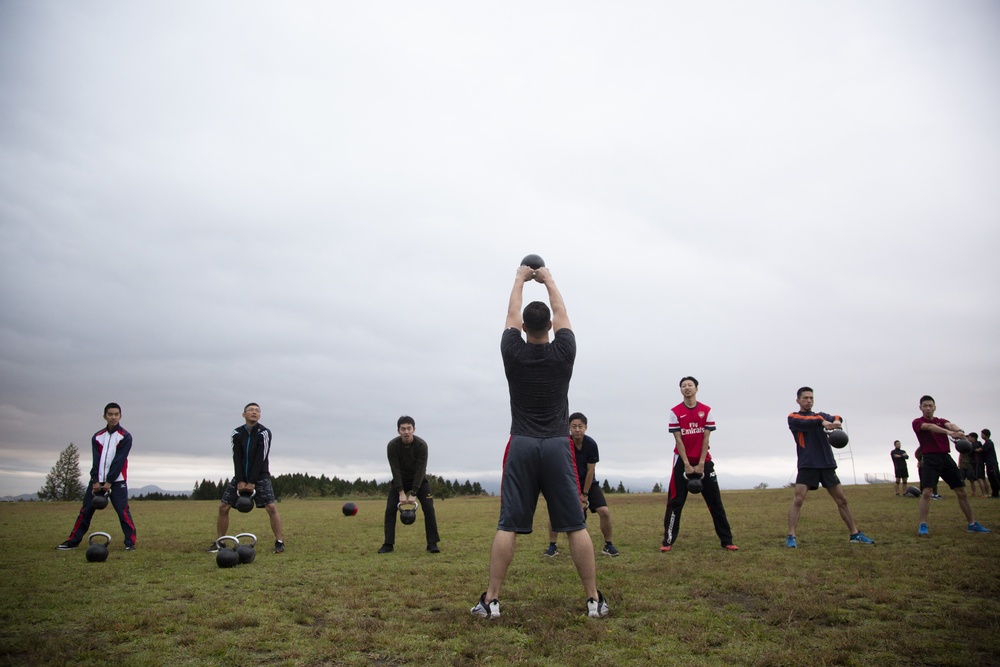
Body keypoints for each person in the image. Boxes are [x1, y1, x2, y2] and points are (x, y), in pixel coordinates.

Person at [471, 262, 608, 620]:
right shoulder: (564, 352)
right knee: (576, 525)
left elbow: (510, 314)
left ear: (523, 329)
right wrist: (547, 279)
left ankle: (492, 601)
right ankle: (593, 600)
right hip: (557, 445)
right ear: (548, 326)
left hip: (522, 445)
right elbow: (561, 312)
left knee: (507, 525)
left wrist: (519, 278)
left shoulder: (511, 351)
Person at [785, 387, 874, 548]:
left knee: (842, 500)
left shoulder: (821, 416)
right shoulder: (794, 417)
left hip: (826, 464)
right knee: (798, 499)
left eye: (811, 398)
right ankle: (791, 536)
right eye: (805, 398)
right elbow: (809, 421)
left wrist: (837, 422)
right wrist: (823, 422)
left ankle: (854, 534)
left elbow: (837, 417)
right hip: (808, 464)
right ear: (798, 400)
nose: (809, 401)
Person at [660, 377, 738, 553]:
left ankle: (727, 540)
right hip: (681, 460)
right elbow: (678, 440)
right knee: (675, 501)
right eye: (683, 386)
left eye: (690, 385)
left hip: (704, 459)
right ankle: (668, 541)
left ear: (696, 388)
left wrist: (702, 463)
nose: (687, 388)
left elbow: (706, 438)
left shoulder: (706, 410)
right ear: (680, 390)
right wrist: (686, 464)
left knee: (715, 501)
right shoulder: (675, 412)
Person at [57, 402, 137, 551]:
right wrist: (95, 480)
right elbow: (96, 460)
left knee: (123, 511)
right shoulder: (97, 437)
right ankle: (72, 541)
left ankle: (130, 543)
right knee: (85, 511)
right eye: (110, 414)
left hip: (117, 482)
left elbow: (119, 461)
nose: (113, 417)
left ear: (120, 416)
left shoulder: (125, 437)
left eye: (116, 414)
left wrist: (109, 482)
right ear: (105, 416)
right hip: (96, 482)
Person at [209, 403, 285, 553]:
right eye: (251, 410)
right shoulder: (236, 434)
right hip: (241, 477)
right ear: (244, 415)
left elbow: (261, 458)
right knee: (223, 506)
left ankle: (279, 541)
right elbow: (236, 458)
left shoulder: (264, 433)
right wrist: (240, 480)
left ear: (260, 415)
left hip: (260, 476)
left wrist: (252, 482)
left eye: (257, 411)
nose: (254, 413)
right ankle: (220, 542)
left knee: (271, 507)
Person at [543, 412, 620, 558]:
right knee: (555, 511)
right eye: (574, 426)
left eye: (580, 426)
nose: (577, 429)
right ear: (569, 428)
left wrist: (584, 494)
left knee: (604, 511)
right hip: (567, 483)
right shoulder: (564, 443)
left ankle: (608, 545)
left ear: (586, 427)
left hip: (588, 483)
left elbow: (591, 471)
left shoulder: (591, 444)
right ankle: (552, 546)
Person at [911, 395, 990, 536]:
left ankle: (972, 524)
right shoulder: (917, 422)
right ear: (920, 408)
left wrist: (959, 431)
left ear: (934, 407)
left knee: (961, 491)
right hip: (930, 459)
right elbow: (930, 427)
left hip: (945, 458)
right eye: (925, 406)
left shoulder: (942, 421)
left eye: (930, 406)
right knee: (927, 492)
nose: (928, 408)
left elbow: (950, 425)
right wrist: (949, 433)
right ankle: (923, 524)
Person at [378, 416, 441, 554]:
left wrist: (413, 493)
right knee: (389, 510)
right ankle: (388, 544)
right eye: (403, 429)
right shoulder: (392, 446)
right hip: (400, 480)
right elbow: (395, 469)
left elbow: (421, 470)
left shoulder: (421, 445)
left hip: (419, 481)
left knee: (429, 508)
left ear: (414, 429)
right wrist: (400, 491)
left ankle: (432, 543)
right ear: (398, 430)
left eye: (409, 428)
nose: (406, 432)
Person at [968, 433, 989, 498]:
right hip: (980, 462)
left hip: (977, 462)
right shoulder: (979, 443)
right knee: (983, 478)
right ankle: (987, 493)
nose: (968, 439)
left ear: (973, 438)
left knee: (979, 478)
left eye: (969, 437)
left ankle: (984, 494)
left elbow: (971, 453)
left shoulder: (974, 445)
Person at [981, 429, 999, 498]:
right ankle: (994, 494)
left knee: (995, 478)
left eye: (982, 434)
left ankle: (996, 494)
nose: (981, 436)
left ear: (986, 435)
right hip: (989, 463)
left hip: (992, 464)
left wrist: (972, 448)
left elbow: (980, 449)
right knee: (991, 479)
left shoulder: (989, 443)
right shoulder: (986, 443)